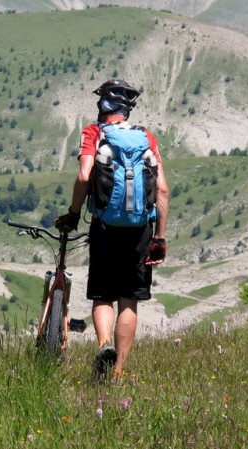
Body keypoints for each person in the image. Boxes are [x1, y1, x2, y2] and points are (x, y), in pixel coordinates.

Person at [55, 79, 169, 379]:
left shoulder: (94, 132)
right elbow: (163, 190)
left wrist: (73, 213)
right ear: (127, 110)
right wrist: (159, 237)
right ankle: (118, 372)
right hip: (140, 229)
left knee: (103, 295)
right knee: (129, 298)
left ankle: (104, 344)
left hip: (105, 226)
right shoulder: (147, 138)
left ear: (101, 105)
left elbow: (83, 176)